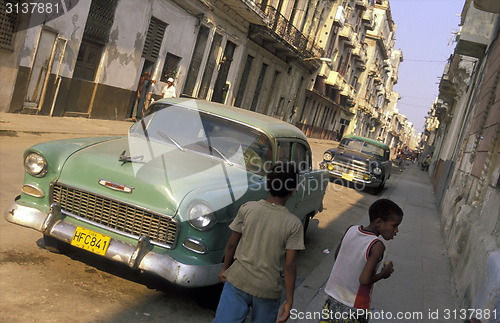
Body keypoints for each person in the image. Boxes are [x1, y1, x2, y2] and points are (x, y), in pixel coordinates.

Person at [213, 162, 305, 323]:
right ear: (293, 190)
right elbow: (290, 264)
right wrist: (289, 300)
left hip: (238, 279)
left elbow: (232, 243)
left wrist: (224, 268)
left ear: (269, 184)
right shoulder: (294, 224)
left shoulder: (248, 208)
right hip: (267, 289)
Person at [320, 198, 404, 323]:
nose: (396, 230)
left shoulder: (351, 229)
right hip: (355, 306)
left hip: (333, 297)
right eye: (394, 225)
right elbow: (364, 280)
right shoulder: (377, 246)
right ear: (379, 222)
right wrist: (383, 274)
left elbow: (337, 256)